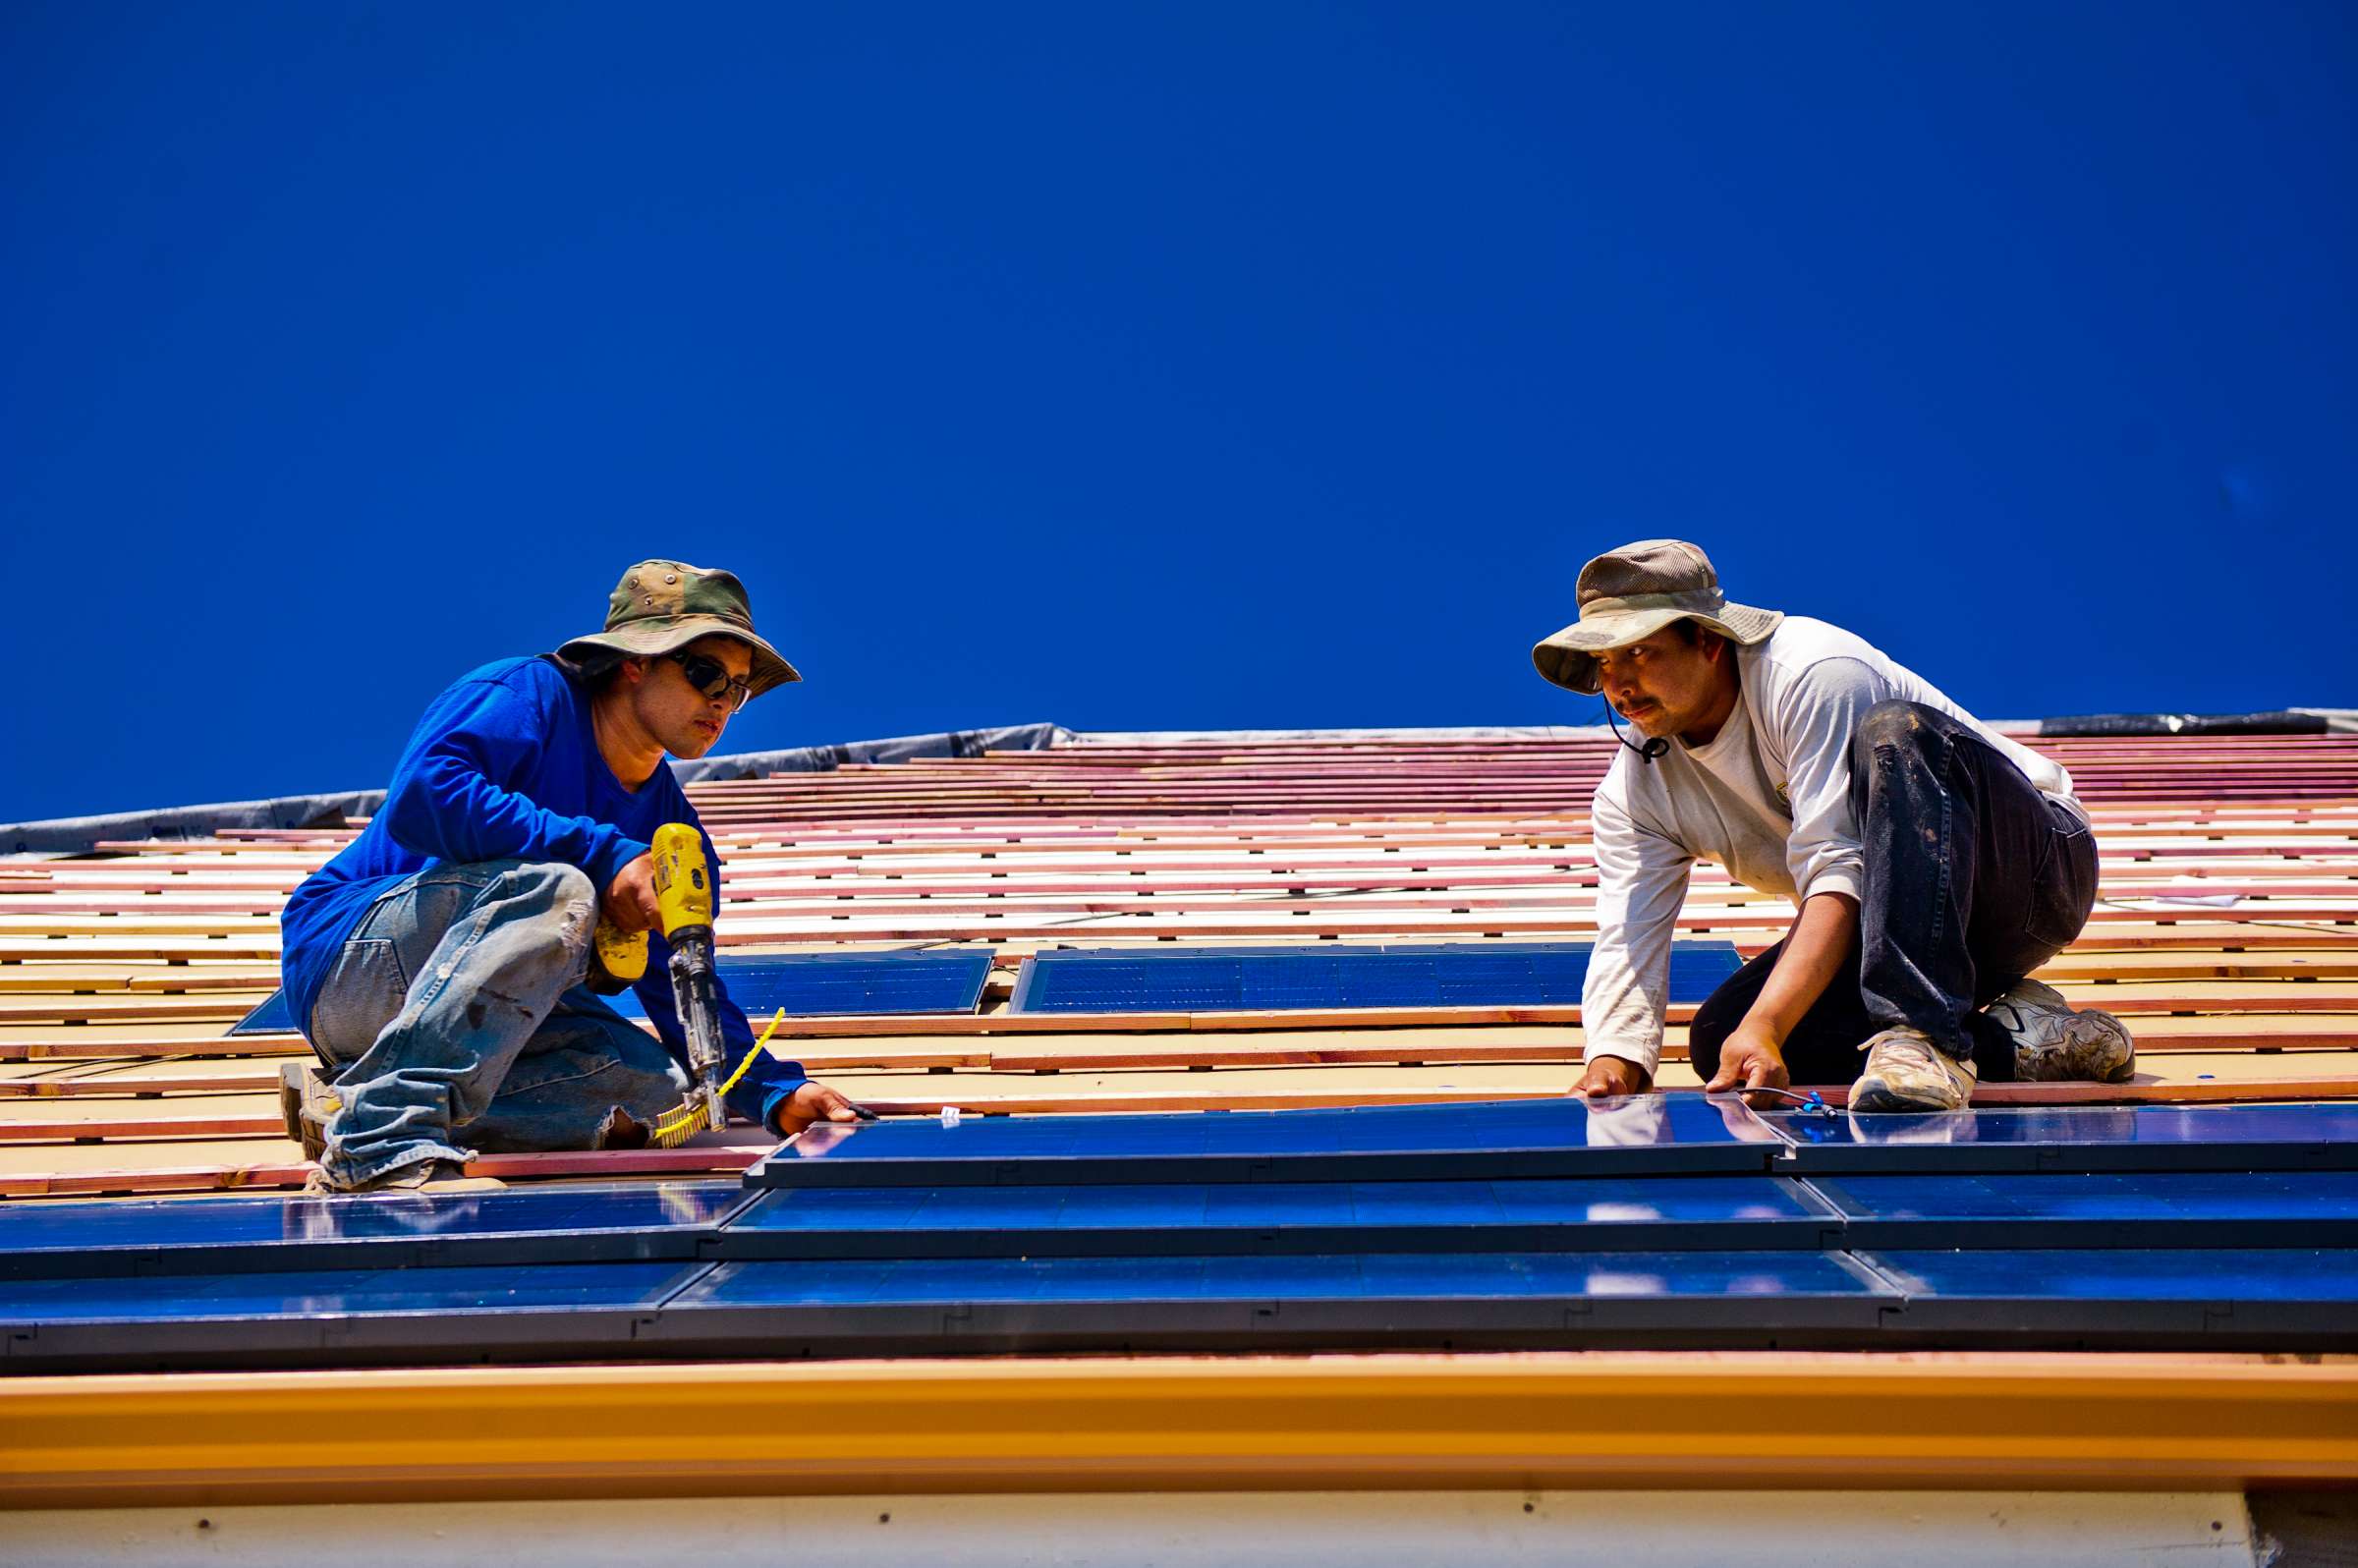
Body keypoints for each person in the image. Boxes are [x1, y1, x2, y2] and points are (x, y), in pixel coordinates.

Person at [278, 560, 862, 1193]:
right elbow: (426, 797)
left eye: (738, 689)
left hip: (479, 1013)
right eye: (704, 673)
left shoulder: (675, 832)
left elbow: (684, 982)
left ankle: (350, 1104)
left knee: (662, 1100)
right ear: (635, 661)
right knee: (561, 890)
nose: (721, 700)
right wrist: (605, 855)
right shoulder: (529, 696)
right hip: (354, 959)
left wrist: (772, 1092)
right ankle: (377, 1144)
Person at [1533, 539, 2135, 1112]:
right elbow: (1629, 928)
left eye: (1638, 652)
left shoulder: (1812, 672)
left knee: (1899, 731)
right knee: (1727, 1041)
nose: (1617, 684)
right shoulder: (1635, 790)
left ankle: (1923, 1039)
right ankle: (2031, 1041)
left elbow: (1839, 862)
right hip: (1895, 924)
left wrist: (1769, 1021)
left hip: (2029, 874)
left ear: (1709, 641)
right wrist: (1617, 1060)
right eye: (1604, 661)